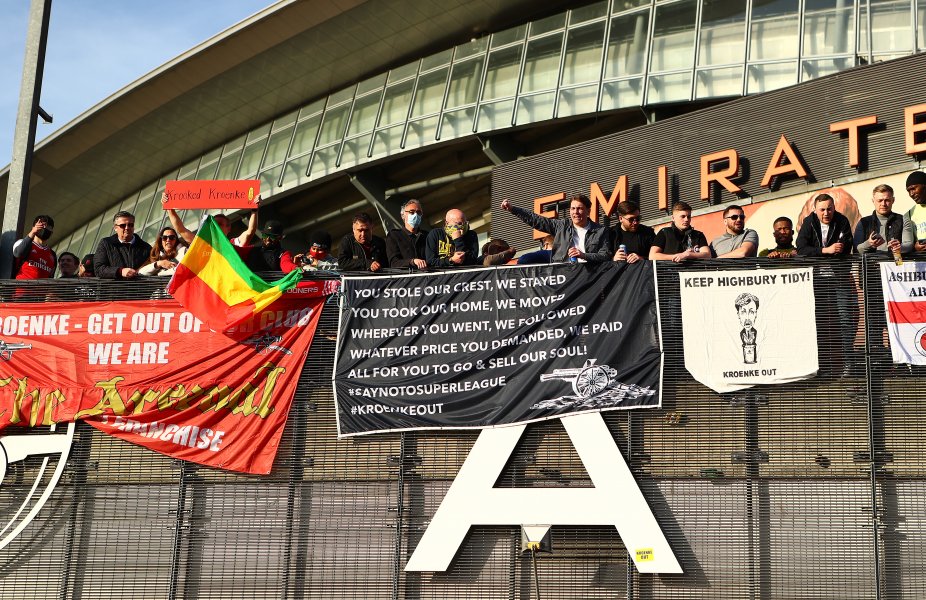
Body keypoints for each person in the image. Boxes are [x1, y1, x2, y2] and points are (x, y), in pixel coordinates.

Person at [796, 193, 857, 377]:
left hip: (839, 278)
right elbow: (801, 248)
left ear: (834, 208)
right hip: (817, 280)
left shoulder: (842, 221)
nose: (826, 213)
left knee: (845, 319)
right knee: (819, 323)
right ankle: (820, 366)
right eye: (822, 209)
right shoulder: (809, 223)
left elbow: (847, 246)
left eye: (829, 208)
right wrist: (826, 250)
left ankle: (848, 364)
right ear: (815, 210)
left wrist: (838, 249)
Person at [500, 194, 611, 263]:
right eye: (572, 208)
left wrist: (583, 255)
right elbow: (536, 220)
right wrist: (513, 209)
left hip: (588, 276)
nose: (575, 212)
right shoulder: (562, 225)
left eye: (579, 209)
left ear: (588, 211)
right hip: (562, 274)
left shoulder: (600, 231)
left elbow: (605, 256)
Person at [162, 192, 260, 246]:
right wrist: (169, 208)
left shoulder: (235, 244)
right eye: (214, 225)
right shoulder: (204, 244)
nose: (216, 227)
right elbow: (181, 230)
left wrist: (254, 211)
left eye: (220, 224)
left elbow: (250, 231)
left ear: (229, 228)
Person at [854, 183, 915, 257]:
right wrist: (869, 244)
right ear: (873, 201)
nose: (883, 204)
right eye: (880, 200)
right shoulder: (863, 222)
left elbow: (909, 244)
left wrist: (899, 247)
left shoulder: (903, 220)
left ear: (893, 200)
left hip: (896, 266)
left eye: (887, 200)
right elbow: (856, 249)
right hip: (872, 267)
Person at [93, 211, 153, 279]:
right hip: (115, 289)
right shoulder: (106, 243)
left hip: (139, 288)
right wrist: (120, 271)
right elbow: (99, 269)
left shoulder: (146, 247)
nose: (127, 228)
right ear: (115, 228)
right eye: (123, 225)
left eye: (130, 225)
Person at [386, 199, 428, 270]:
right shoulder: (394, 235)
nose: (416, 215)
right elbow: (394, 263)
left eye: (419, 212)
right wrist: (412, 262)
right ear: (403, 215)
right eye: (412, 212)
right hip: (405, 279)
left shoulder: (427, 236)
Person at [12, 215, 56, 279]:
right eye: (41, 225)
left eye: (48, 227)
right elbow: (18, 253)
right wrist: (32, 232)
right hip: (22, 288)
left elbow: (51, 276)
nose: (45, 228)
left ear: (51, 232)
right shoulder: (23, 243)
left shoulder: (52, 255)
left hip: (41, 289)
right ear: (34, 227)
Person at [903, 171, 926, 252]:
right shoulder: (908, 215)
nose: (911, 194)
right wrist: (915, 247)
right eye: (908, 191)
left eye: (913, 188)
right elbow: (907, 243)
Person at [735, 293, 760, 365]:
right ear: (738, 315)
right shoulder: (740, 334)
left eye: (752, 312)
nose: (747, 318)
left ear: (756, 314)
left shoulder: (757, 332)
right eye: (743, 312)